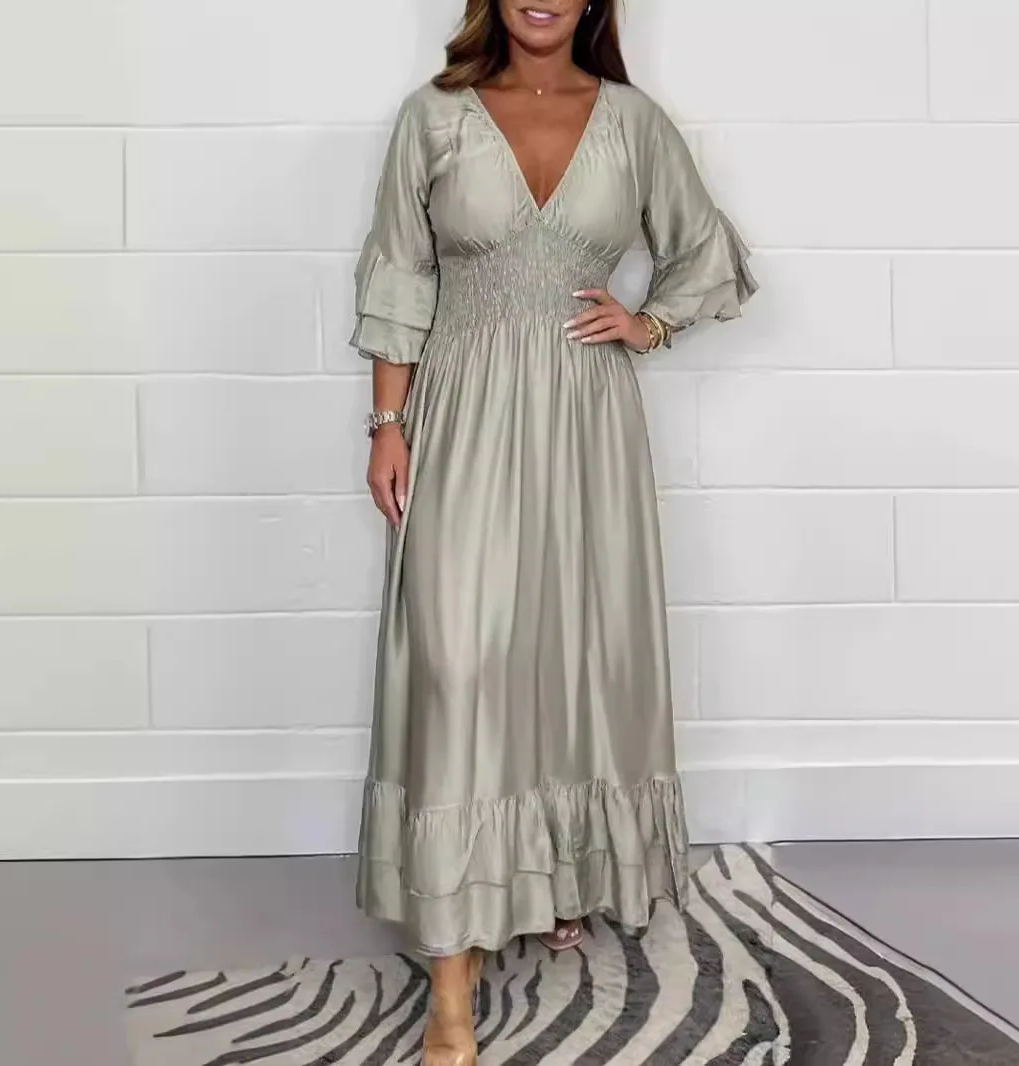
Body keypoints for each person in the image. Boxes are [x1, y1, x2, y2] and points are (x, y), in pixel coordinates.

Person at [352, 1, 756, 1062]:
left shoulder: (631, 120)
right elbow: (398, 273)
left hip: (585, 419)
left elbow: (706, 253)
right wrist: (387, 425)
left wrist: (649, 321)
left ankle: (546, 876)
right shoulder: (434, 117)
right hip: (461, 414)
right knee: (458, 661)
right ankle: (451, 982)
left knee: (571, 657)